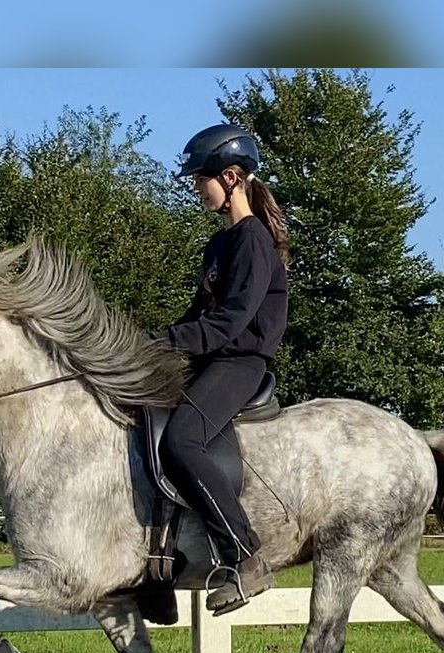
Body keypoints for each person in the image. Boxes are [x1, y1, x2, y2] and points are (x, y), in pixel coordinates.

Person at [152, 122, 290, 617]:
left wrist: (174, 340)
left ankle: (244, 555)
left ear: (231, 177)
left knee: (181, 441)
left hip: (240, 362)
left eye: (201, 179)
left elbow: (232, 322)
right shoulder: (219, 244)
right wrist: (150, 346)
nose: (196, 188)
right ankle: (156, 569)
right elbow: (198, 316)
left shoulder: (252, 242)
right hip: (211, 357)